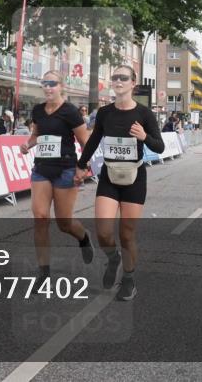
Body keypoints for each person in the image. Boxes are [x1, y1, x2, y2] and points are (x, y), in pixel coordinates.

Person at [76, 65, 164, 302]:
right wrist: (81, 164)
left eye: (123, 78)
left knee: (127, 234)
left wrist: (145, 137)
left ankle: (128, 279)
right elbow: (94, 140)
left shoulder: (144, 114)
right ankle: (113, 257)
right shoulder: (105, 113)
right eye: (114, 77)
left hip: (134, 177)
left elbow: (160, 146)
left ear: (133, 83)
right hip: (109, 175)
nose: (118, 81)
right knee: (104, 232)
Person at [19, 70, 92, 280]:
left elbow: (85, 142)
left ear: (61, 87)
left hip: (65, 169)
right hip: (41, 168)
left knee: (64, 223)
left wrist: (82, 166)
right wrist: (27, 144)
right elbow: (36, 134)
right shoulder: (38, 110)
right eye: (45, 83)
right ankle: (44, 272)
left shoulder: (70, 112)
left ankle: (84, 238)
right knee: (41, 217)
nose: (48, 87)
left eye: (53, 83)